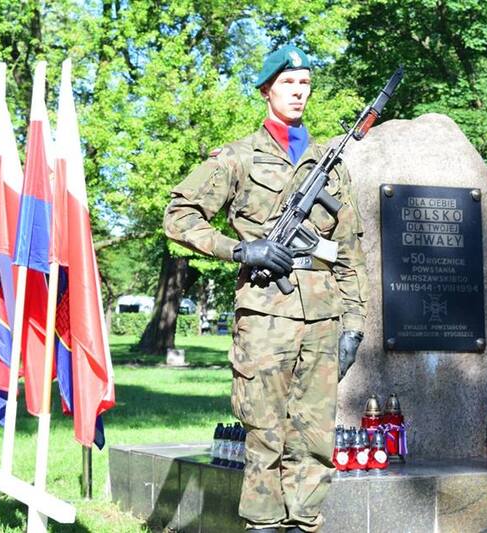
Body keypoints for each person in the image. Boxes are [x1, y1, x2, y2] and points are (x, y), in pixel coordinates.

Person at [163, 44, 367, 532]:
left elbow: (349, 248)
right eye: (288, 83)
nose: (299, 92)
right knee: (266, 432)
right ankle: (263, 524)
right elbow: (179, 216)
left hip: (323, 318)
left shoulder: (330, 164)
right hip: (265, 316)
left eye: (305, 84)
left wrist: (355, 322)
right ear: (266, 90)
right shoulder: (238, 157)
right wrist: (240, 250)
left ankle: (304, 522)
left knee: (314, 437)